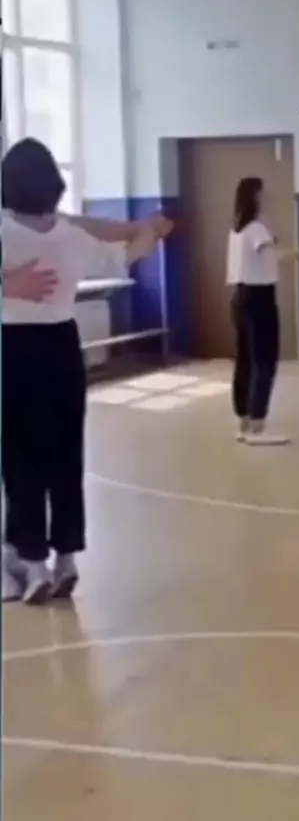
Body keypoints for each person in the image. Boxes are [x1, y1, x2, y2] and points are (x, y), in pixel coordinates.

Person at [1, 137, 173, 604]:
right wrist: (151, 230)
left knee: (21, 461)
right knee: (65, 455)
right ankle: (67, 559)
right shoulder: (70, 237)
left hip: (13, 349)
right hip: (62, 346)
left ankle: (33, 566)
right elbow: (126, 254)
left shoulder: (4, 232)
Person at [227, 176, 297, 446]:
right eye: (262, 193)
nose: (266, 197)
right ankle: (258, 425)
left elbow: (262, 253)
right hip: (259, 300)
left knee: (245, 360)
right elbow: (274, 255)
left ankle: (243, 422)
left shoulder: (236, 231)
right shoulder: (256, 228)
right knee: (265, 360)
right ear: (254, 197)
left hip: (239, 298)